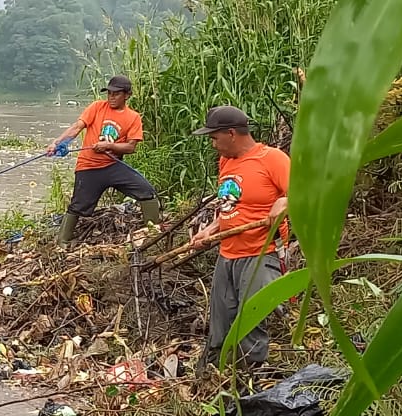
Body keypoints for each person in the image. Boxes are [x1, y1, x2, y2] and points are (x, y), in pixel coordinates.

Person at [189, 105, 291, 372]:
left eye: (214, 137)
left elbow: (302, 194)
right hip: (228, 253)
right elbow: (230, 207)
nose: (212, 144)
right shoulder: (226, 162)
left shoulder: (273, 159)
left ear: (232, 133)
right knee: (220, 322)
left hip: (261, 253)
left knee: (251, 321)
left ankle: (251, 379)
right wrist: (210, 231)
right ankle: (211, 374)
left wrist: (284, 202)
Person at [45, 75, 161, 245]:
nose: (111, 97)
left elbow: (130, 147)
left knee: (146, 191)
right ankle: (62, 241)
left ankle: (152, 233)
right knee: (78, 206)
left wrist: (109, 146)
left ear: (127, 95)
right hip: (88, 167)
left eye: (116, 94)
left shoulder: (133, 117)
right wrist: (57, 143)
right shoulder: (97, 107)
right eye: (109, 93)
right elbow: (76, 127)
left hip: (112, 165)